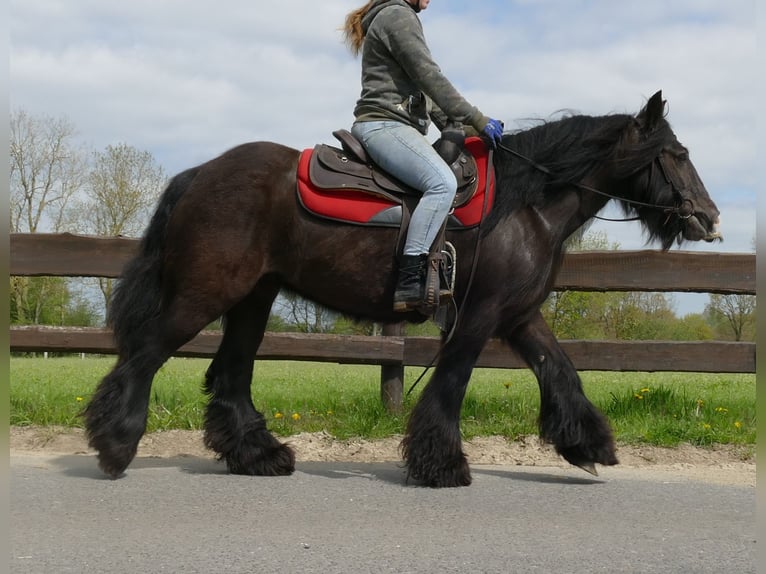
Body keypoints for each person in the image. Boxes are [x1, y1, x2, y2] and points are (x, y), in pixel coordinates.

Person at [343, 0, 504, 312]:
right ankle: (410, 278)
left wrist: (473, 129)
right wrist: (479, 118)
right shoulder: (397, 16)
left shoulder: (399, 18)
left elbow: (431, 100)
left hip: (400, 128)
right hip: (383, 125)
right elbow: (429, 75)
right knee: (441, 183)